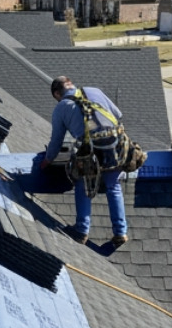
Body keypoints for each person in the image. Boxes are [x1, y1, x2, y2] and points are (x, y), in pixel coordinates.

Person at [39, 75, 129, 247]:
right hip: (116, 144)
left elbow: (56, 140)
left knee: (83, 183)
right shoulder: (94, 91)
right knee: (113, 186)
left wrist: (47, 160)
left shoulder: (62, 107)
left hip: (91, 149)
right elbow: (118, 114)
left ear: (57, 93)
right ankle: (120, 232)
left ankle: (81, 231)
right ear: (71, 85)